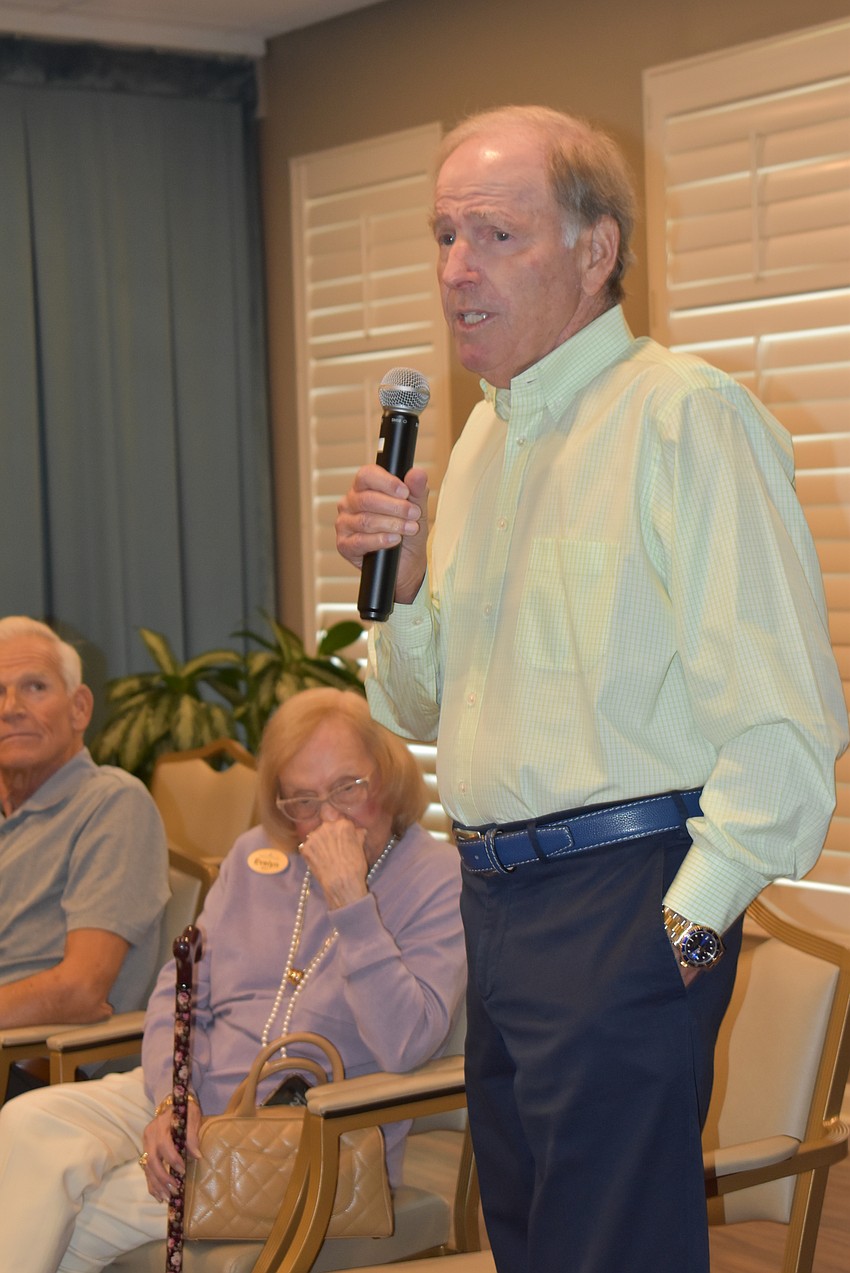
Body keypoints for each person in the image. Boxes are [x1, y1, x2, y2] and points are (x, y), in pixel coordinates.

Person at [335, 105, 850, 1273]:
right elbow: (419, 711)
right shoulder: (472, 449)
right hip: (496, 901)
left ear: (594, 249)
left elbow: (783, 714)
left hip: (623, 894)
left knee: (611, 1250)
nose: (457, 269)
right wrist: (405, 588)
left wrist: (686, 918)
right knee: (533, 1243)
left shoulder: (684, 418)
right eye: (443, 234)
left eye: (495, 235)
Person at [0, 686, 465, 1270]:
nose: (326, 819)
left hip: (307, 1134)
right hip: (196, 1096)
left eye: (349, 789)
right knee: (30, 1122)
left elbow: (406, 1043)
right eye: (301, 799)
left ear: (389, 777)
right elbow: (180, 985)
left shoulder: (438, 877)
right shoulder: (254, 858)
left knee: (56, 1208)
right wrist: (175, 1092)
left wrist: (351, 902)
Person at [0, 616, 169, 1060]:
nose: (10, 707)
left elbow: (80, 988)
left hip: (40, 1067)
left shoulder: (112, 805)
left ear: (80, 708)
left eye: (35, 687)